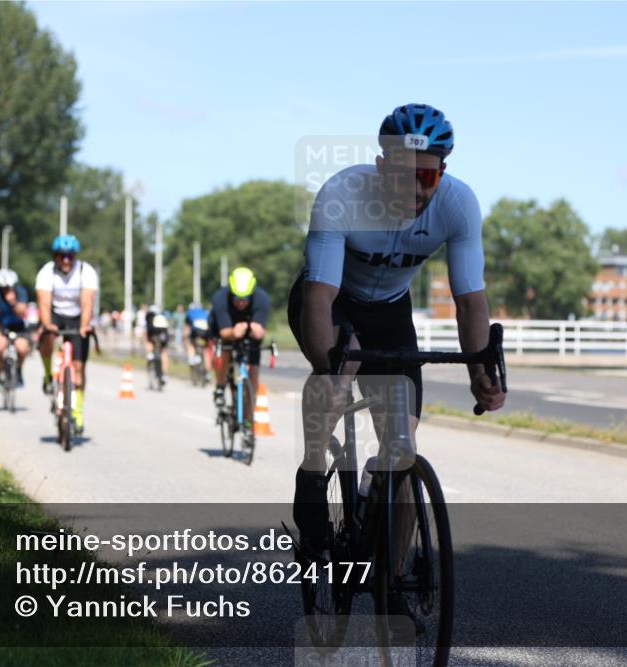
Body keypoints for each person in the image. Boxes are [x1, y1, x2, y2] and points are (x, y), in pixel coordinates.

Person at [287, 104, 507, 568]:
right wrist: (329, 371)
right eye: (402, 176)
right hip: (334, 299)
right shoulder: (340, 195)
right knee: (338, 376)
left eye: (426, 179)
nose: (413, 190)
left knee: (402, 451)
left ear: (442, 173)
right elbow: (318, 300)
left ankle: (391, 577)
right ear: (382, 166)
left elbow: (470, 302)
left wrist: (480, 373)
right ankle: (310, 475)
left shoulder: (458, 204)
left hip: (390, 310)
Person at [36, 235, 98, 434]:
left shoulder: (86, 271)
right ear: (56, 256)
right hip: (55, 314)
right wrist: (47, 325)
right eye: (61, 256)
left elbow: (87, 302)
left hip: (77, 316)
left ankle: (78, 412)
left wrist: (84, 325)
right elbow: (44, 303)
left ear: (75, 256)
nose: (65, 260)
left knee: (79, 367)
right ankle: (48, 375)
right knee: (46, 337)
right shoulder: (46, 272)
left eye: (69, 256)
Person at [209, 267, 270, 412]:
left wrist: (258, 332)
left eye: (246, 298)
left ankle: (248, 423)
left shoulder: (262, 299)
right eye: (237, 297)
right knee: (224, 350)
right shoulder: (220, 298)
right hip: (225, 329)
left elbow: (261, 333)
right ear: (231, 292)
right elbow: (224, 332)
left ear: (252, 293)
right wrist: (234, 333)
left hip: (249, 332)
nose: (241, 302)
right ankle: (220, 386)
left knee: (254, 372)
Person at [0, 268, 31, 390]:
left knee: (22, 349)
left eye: (11, 288)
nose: (9, 291)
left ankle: (19, 371)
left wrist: (13, 302)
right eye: (5, 288)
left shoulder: (21, 292)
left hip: (19, 327)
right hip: (2, 326)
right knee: (0, 347)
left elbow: (22, 311)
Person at [144, 304, 171, 388]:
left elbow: (146, 332)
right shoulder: (162, 316)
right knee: (164, 353)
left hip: (152, 337)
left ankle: (150, 355)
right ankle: (165, 375)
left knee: (150, 346)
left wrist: (146, 343)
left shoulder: (149, 317)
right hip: (163, 337)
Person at [184, 301, 212, 379]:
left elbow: (187, 328)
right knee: (205, 351)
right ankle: (208, 373)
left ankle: (192, 360)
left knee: (192, 345)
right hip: (205, 333)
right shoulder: (205, 312)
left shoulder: (190, 313)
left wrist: (185, 338)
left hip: (196, 333)